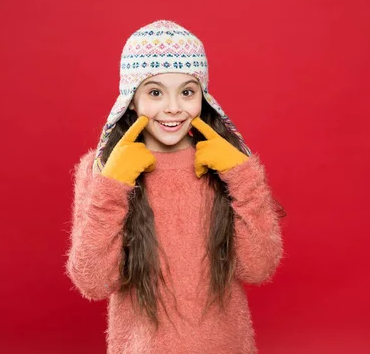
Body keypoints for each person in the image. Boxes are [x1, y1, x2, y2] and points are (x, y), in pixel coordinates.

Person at [65, 20, 285, 353]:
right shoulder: (101, 170)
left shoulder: (227, 166)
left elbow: (258, 268)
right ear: (132, 100)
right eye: (155, 92)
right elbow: (94, 282)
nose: (173, 107)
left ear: (203, 97)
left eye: (187, 91)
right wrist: (111, 188)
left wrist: (243, 177)